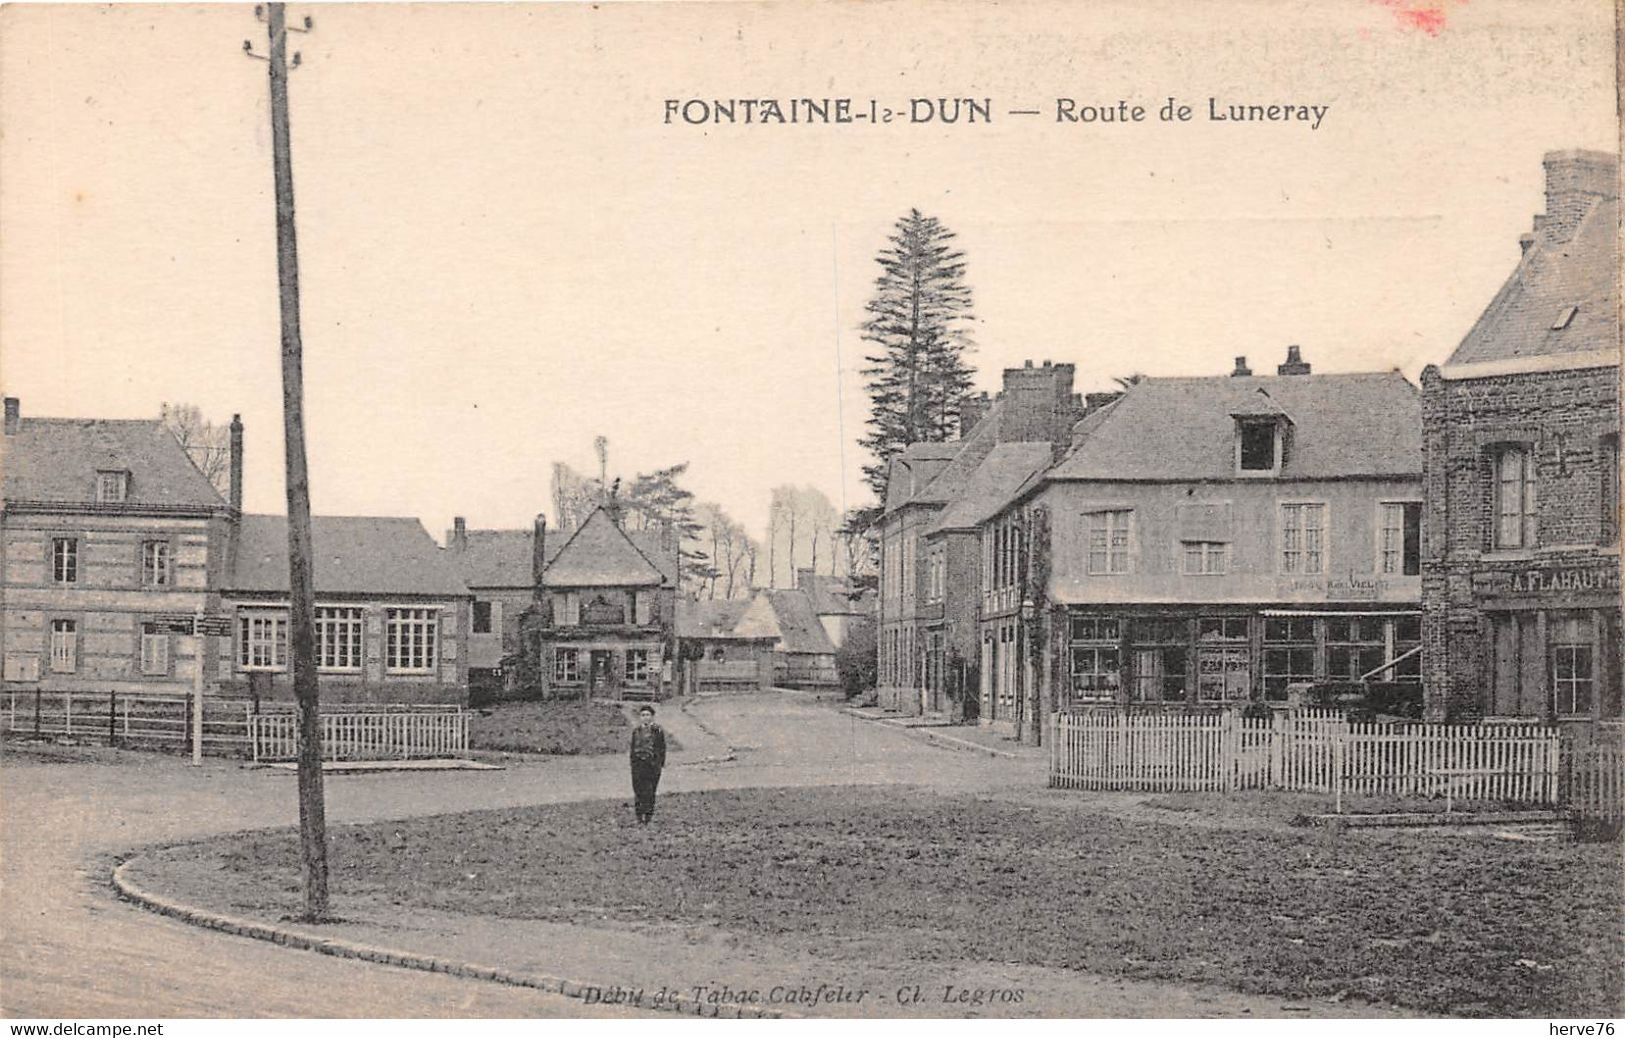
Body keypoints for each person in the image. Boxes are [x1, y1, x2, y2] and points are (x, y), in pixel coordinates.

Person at [628, 704, 667, 824]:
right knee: (638, 790)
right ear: (640, 717)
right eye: (643, 715)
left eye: (648, 715)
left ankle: (648, 817)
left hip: (652, 766)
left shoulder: (657, 731)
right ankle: (639, 817)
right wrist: (633, 763)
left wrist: (659, 764)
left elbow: (662, 749)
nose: (645, 717)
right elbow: (632, 748)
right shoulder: (636, 731)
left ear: (652, 717)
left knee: (650, 791)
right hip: (638, 765)